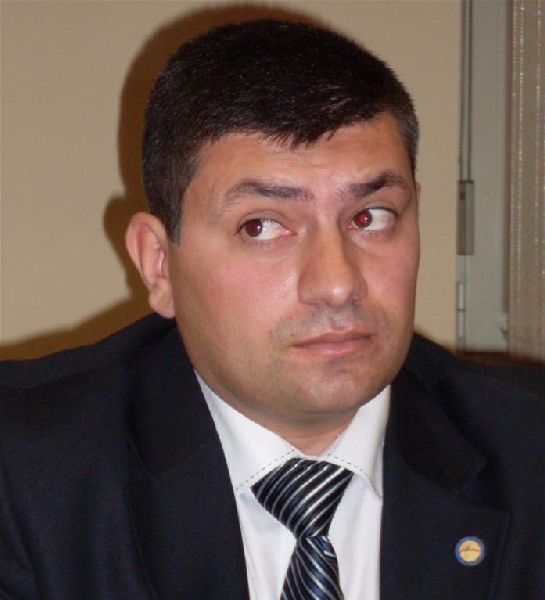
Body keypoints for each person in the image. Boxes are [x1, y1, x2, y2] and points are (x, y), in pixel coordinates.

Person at [0, 18, 544, 600]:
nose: (337, 285)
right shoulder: (22, 476)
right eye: (261, 226)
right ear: (159, 265)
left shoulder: (529, 452)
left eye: (370, 217)